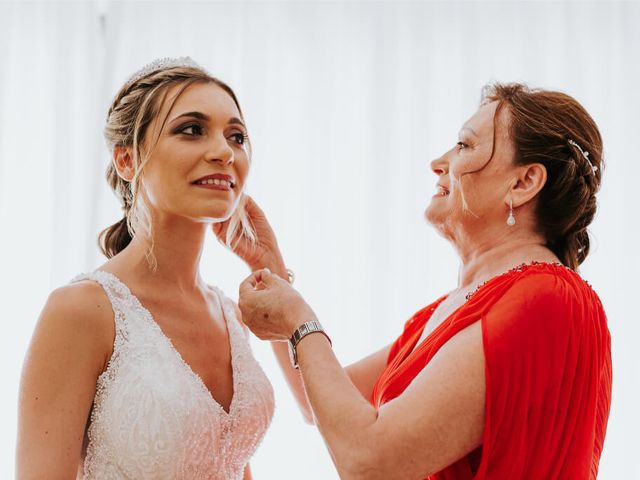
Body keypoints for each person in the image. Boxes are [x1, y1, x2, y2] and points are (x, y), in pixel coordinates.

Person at [230, 83, 612, 479]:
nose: (438, 162)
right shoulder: (450, 309)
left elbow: (370, 461)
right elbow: (319, 402)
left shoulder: (545, 298)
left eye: (465, 146)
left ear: (523, 183)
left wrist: (299, 321)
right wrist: (269, 265)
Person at [16, 57, 274, 479]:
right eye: (192, 129)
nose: (224, 152)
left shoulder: (232, 316)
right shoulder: (82, 310)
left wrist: (271, 267)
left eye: (237, 136)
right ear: (126, 161)